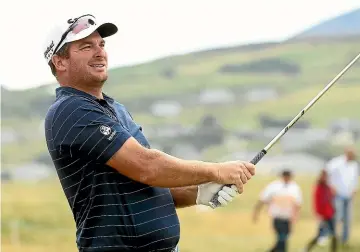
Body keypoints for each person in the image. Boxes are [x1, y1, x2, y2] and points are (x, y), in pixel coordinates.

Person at [42, 14, 256, 252]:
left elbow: (142, 182)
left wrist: (196, 192)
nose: (99, 52)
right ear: (59, 62)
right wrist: (215, 170)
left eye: (101, 44)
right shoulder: (71, 109)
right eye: (86, 46)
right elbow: (147, 166)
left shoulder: (116, 110)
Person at [252, 170, 303, 252]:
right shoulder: (274, 186)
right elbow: (263, 199)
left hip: (288, 218)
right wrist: (256, 213)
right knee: (282, 238)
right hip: (277, 217)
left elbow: (298, 205)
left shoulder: (295, 188)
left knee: (284, 238)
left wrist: (296, 217)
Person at [318, 146, 359, 246]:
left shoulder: (354, 165)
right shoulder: (336, 163)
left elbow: (355, 179)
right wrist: (331, 187)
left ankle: (344, 240)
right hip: (337, 195)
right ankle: (324, 236)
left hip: (348, 196)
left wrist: (355, 189)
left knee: (347, 219)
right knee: (336, 217)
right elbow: (325, 173)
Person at [302, 170, 337, 252]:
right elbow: (317, 203)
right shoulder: (318, 188)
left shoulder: (328, 187)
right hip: (323, 216)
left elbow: (331, 199)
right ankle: (307, 248)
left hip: (330, 214)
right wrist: (319, 215)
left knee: (334, 235)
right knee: (320, 235)